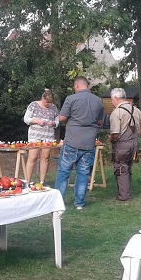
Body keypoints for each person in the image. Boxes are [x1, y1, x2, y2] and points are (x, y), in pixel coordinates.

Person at [54, 76, 104, 209]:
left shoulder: (71, 99)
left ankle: (58, 203)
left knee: (64, 172)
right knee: (83, 173)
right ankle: (79, 204)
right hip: (89, 143)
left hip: (72, 142)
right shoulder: (98, 101)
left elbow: (62, 118)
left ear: (77, 86)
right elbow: (100, 122)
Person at [108, 88, 141, 201]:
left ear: (115, 98)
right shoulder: (136, 110)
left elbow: (115, 133)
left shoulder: (117, 112)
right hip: (133, 144)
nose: (112, 102)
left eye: (112, 99)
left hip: (122, 145)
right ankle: (126, 192)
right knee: (128, 167)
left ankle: (124, 196)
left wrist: (111, 139)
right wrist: (136, 134)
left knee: (120, 168)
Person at [23, 88, 59, 185]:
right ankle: (27, 182)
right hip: (35, 136)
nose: (48, 104)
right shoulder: (33, 105)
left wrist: (54, 123)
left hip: (48, 136)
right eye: (46, 102)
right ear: (42, 98)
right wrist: (37, 121)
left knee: (45, 158)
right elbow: (26, 119)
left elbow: (57, 120)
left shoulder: (54, 108)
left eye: (50, 103)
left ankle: (42, 182)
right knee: (32, 157)